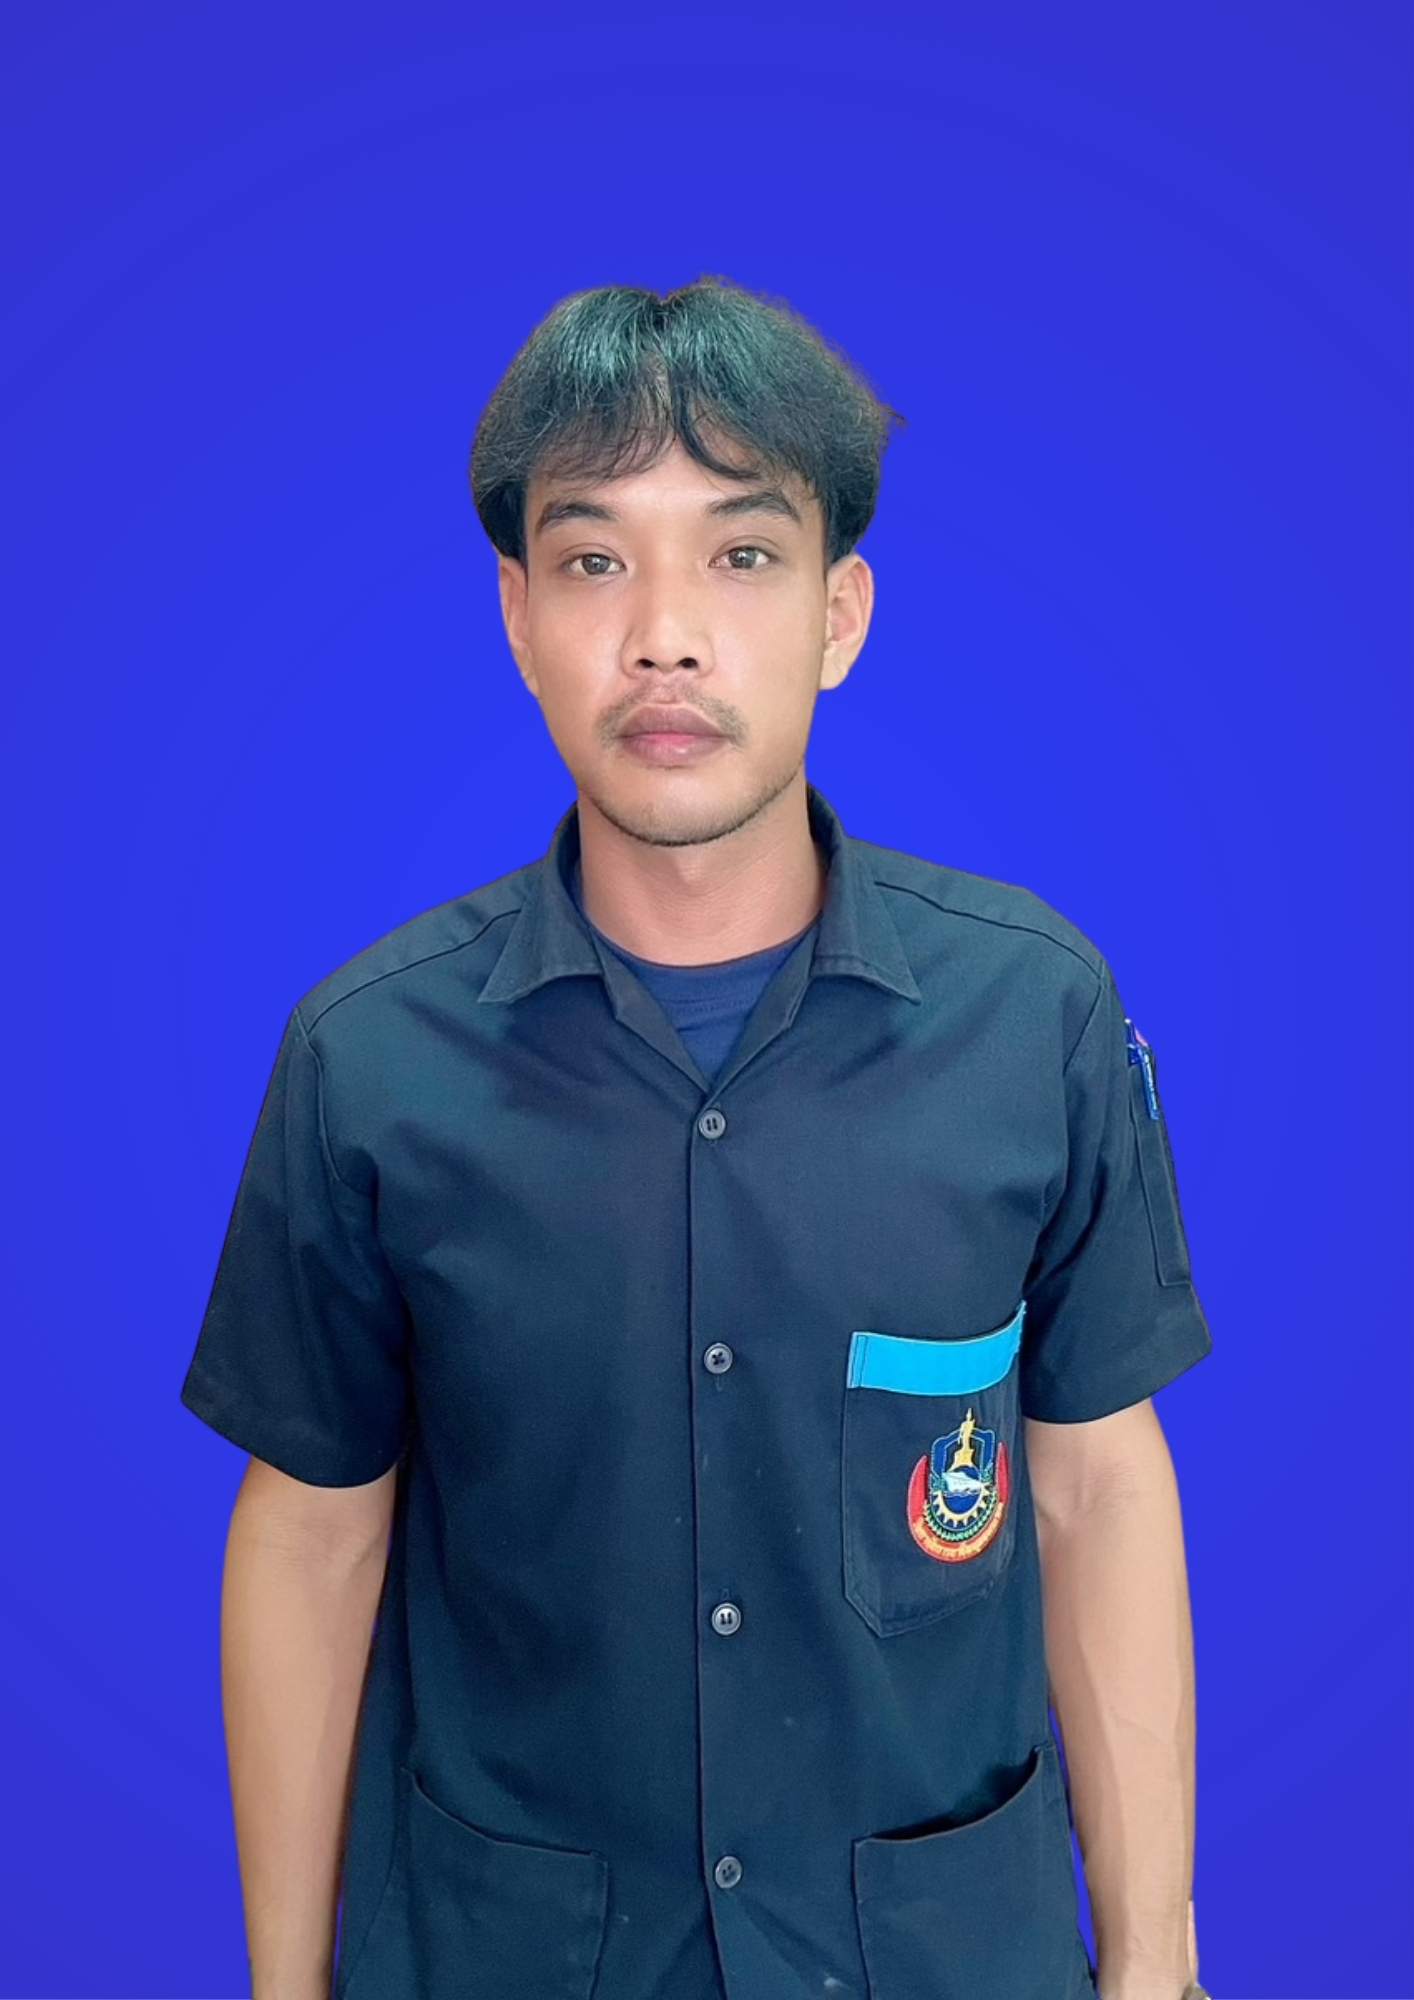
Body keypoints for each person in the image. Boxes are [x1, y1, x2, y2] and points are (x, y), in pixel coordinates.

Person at [181, 277, 1214, 2000]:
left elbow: (1094, 1482)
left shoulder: (1029, 1014)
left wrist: (1156, 1960)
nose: (663, 635)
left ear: (838, 612)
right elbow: (309, 1533)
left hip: (938, 1953)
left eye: (740, 554)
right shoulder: (370, 1058)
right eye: (594, 559)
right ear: (518, 617)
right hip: (510, 1953)